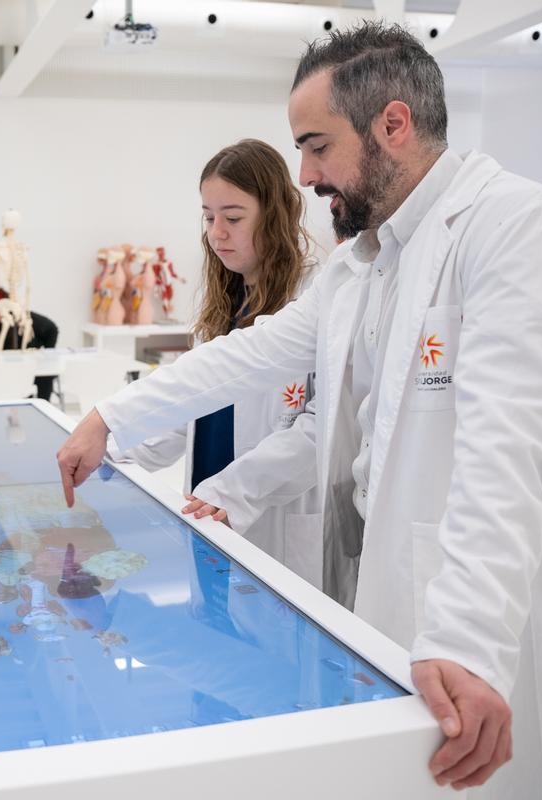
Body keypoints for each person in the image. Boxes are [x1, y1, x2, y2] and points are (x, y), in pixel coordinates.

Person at [57, 21, 542, 800]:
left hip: (470, 627)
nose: (306, 175)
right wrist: (113, 418)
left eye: (317, 146)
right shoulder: (363, 266)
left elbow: (509, 456)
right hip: (376, 605)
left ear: (393, 124)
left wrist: (470, 642)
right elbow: (251, 352)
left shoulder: (521, 227)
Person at [117, 139, 322, 588]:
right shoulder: (220, 305)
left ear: (276, 214)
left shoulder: (313, 296)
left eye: (233, 218)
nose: (217, 233)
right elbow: (188, 408)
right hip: (207, 516)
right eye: (209, 217)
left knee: (271, 641)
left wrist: (233, 490)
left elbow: (319, 428)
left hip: (268, 523)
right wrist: (118, 450)